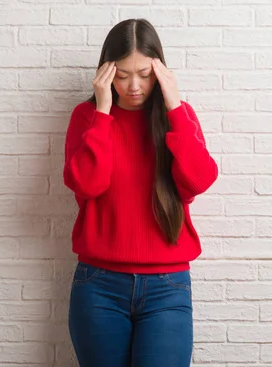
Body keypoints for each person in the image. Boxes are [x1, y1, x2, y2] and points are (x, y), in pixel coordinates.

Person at [63, 18, 219, 367]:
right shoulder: (86, 117)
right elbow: (87, 184)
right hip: (99, 285)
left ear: (159, 71)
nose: (134, 86)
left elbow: (198, 181)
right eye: (122, 75)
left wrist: (175, 107)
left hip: (167, 287)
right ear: (106, 72)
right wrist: (103, 113)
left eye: (145, 74)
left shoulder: (178, 116)